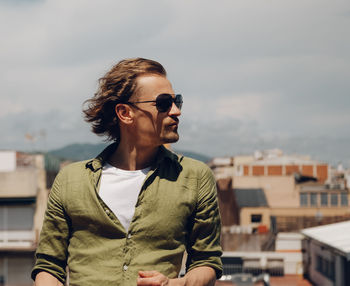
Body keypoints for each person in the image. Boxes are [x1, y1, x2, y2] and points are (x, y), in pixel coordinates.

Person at [31, 58, 222, 286]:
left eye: (176, 100)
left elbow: (207, 262)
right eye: (163, 103)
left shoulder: (194, 177)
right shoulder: (71, 180)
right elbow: (49, 266)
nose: (176, 111)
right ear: (125, 113)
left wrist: (172, 285)